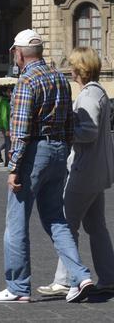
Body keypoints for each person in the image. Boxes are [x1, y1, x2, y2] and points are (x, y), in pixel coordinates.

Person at [0, 29, 93, 304]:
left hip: (35, 153)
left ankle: (18, 287)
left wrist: (13, 168)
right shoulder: (59, 77)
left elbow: (20, 131)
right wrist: (64, 149)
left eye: (14, 52)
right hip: (58, 151)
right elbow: (70, 120)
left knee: (16, 222)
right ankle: (80, 276)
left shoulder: (26, 81)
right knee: (57, 220)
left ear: (19, 53)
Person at [37, 47, 114, 297]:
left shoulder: (89, 95)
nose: (69, 69)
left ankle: (65, 279)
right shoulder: (97, 92)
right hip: (96, 171)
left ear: (80, 68)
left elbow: (88, 132)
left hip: (83, 171)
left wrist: (65, 131)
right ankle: (109, 275)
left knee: (66, 225)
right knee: (96, 226)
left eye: (72, 65)